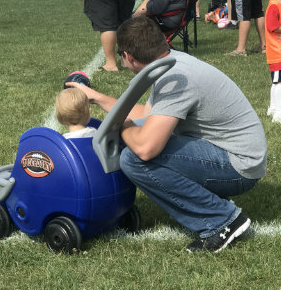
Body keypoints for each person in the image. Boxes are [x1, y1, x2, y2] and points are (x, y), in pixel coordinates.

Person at [67, 16, 267, 253]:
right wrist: (97, 98)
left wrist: (118, 124)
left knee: (133, 159)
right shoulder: (172, 64)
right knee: (138, 139)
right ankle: (214, 205)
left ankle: (222, 220)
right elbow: (148, 115)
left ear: (128, 56)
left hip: (240, 165)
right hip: (235, 153)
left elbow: (145, 148)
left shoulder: (174, 78)